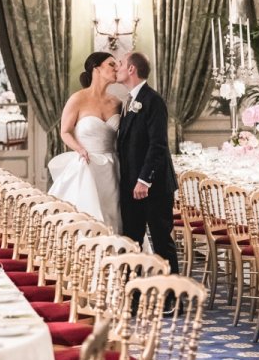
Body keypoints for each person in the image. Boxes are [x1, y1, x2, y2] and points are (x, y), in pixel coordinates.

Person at [115, 51, 180, 274]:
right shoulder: (129, 102)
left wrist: (144, 180)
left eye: (121, 63)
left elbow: (158, 144)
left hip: (154, 186)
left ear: (131, 69)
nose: (118, 67)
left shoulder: (153, 100)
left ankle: (173, 298)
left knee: (162, 241)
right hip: (131, 185)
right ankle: (133, 295)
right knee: (132, 241)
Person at [47, 52, 123, 233]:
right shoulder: (78, 99)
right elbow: (64, 131)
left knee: (114, 214)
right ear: (96, 69)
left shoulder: (118, 103)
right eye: (111, 64)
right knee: (88, 215)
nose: (116, 68)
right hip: (87, 164)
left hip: (113, 167)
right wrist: (79, 148)